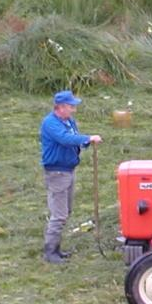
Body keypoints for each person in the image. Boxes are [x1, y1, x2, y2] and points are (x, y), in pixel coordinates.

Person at [39, 90, 101, 264]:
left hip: (68, 170)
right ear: (61, 107)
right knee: (59, 214)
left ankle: (56, 250)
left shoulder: (69, 121)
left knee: (66, 211)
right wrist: (88, 137)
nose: (74, 109)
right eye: (71, 106)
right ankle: (50, 252)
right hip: (57, 172)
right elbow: (65, 139)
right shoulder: (50, 123)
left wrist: (86, 142)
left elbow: (73, 139)